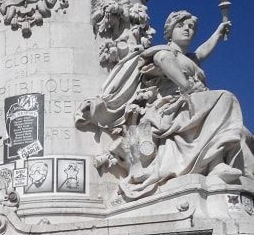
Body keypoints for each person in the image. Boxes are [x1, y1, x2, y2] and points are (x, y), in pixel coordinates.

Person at [77, 10, 254, 199]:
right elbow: (163, 60)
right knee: (225, 98)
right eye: (182, 26)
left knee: (242, 132)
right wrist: (187, 86)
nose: (188, 29)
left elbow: (202, 52)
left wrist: (218, 33)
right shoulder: (162, 51)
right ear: (170, 31)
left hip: (193, 103)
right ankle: (216, 162)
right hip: (171, 105)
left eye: (191, 27)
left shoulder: (189, 59)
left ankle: (234, 172)